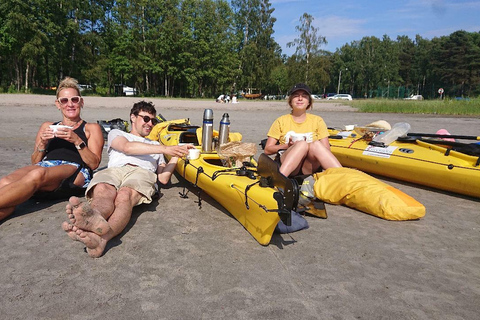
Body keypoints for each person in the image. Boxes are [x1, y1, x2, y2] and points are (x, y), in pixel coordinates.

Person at [62, 101, 191, 258]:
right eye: (146, 119)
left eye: (153, 121)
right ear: (133, 117)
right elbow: (126, 148)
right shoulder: (117, 134)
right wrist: (166, 148)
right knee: (103, 190)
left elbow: (163, 178)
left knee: (124, 195)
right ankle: (92, 219)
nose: (150, 124)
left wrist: (177, 155)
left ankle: (101, 238)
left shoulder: (156, 145)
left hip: (141, 173)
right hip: (115, 170)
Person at [0, 77, 104, 222]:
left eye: (74, 100)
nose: (70, 104)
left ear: (81, 102)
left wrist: (77, 141)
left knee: (38, 173)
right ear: (58, 104)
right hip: (46, 166)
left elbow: (94, 163)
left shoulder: (91, 128)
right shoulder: (47, 126)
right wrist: (42, 144)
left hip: (74, 169)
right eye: (64, 101)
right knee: (6, 182)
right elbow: (35, 161)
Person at [264, 83, 342, 177]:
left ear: (309, 102)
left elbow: (326, 150)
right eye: (296, 96)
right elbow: (267, 150)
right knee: (302, 144)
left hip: (309, 167)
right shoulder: (281, 121)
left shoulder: (318, 121)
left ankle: (345, 177)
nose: (300, 99)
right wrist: (287, 146)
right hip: (288, 164)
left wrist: (310, 147)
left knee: (316, 144)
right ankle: (279, 179)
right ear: (290, 101)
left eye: (304, 96)